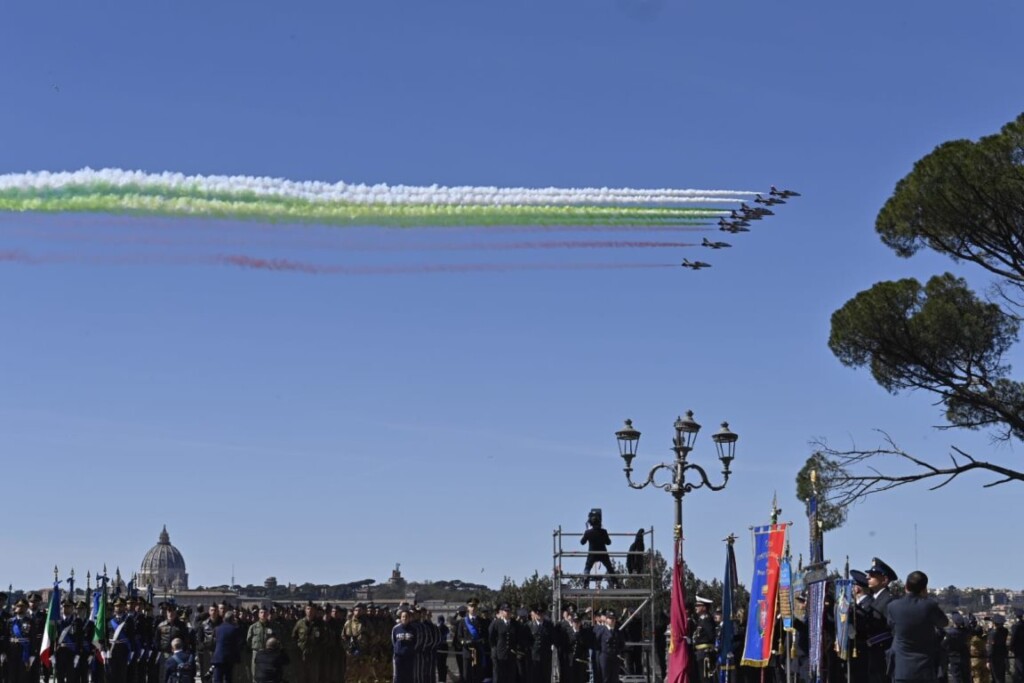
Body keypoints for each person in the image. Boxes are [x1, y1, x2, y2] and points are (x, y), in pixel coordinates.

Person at [886, 570, 948, 682]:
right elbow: (944, 622)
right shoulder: (929, 605)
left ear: (905, 586)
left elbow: (891, 626)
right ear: (924, 589)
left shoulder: (893, 606)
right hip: (925, 668)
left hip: (902, 669)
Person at [580, 510, 618, 588]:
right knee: (609, 567)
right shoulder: (604, 532)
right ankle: (615, 583)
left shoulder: (588, 532)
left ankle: (586, 583)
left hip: (592, 554)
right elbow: (608, 542)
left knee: (587, 567)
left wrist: (585, 535)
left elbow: (582, 542)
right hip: (603, 553)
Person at [454, 599, 488, 683]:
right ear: (468, 608)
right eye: (471, 606)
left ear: (477, 608)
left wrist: (481, 641)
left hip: (478, 652)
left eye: (475, 606)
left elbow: (486, 636)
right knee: (467, 676)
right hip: (467, 652)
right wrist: (465, 642)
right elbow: (459, 637)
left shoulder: (482, 621)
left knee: (478, 676)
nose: (473, 608)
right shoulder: (463, 622)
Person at [488, 604, 517, 683]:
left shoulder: (515, 624)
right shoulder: (496, 623)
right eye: (505, 611)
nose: (507, 612)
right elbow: (491, 638)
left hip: (511, 654)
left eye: (509, 611)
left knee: (510, 676)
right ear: (501, 612)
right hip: (499, 654)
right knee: (499, 675)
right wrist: (494, 650)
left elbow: (517, 638)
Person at [212, 610, 242, 683]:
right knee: (228, 679)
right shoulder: (235, 629)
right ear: (232, 619)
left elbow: (213, 642)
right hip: (229, 658)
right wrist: (238, 658)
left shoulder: (217, 628)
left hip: (218, 657)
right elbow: (237, 644)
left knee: (217, 679)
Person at [941, 613, 972, 683]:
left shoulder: (950, 633)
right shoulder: (965, 632)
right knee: (966, 677)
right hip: (965, 657)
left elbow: (943, 644)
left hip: (954, 657)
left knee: (956, 677)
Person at [692, 597, 717, 683]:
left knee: (705, 678)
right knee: (701, 678)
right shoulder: (701, 620)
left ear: (704, 607)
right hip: (700, 652)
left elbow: (711, 636)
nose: (696, 607)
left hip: (705, 653)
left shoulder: (707, 619)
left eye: (698, 605)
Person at [246, 608, 274, 683]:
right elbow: (248, 640)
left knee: (267, 675)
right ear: (258, 615)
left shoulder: (272, 626)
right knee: (255, 674)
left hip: (268, 654)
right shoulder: (253, 627)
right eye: (261, 612)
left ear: (267, 614)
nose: (263, 614)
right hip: (256, 653)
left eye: (265, 612)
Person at [597, 610, 624, 683]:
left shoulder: (618, 631)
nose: (612, 620)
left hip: (615, 657)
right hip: (605, 657)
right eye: (610, 618)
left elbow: (622, 644)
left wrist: (618, 652)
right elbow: (597, 642)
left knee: (614, 678)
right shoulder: (602, 630)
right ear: (606, 619)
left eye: (613, 619)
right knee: (605, 677)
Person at [393, 608, 418, 683]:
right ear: (400, 618)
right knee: (398, 677)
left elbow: (416, 642)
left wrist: (411, 650)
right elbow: (393, 641)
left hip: (409, 657)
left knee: (409, 677)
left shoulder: (413, 629)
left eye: (406, 616)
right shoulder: (396, 629)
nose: (404, 618)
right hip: (399, 657)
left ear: (409, 618)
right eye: (403, 616)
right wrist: (398, 650)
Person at [987, 614, 1009, 683]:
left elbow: (991, 648)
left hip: (994, 658)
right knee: (1001, 677)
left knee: (996, 677)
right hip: (1002, 656)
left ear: (994, 623)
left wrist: (988, 660)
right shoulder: (1005, 631)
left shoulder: (993, 634)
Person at [1009, 608, 1024, 683]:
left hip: (1018, 650)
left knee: (1019, 667)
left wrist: (1011, 647)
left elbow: (1013, 638)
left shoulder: (1015, 626)